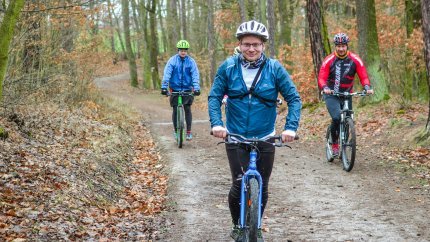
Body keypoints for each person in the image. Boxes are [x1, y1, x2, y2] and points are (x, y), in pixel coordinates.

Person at [208, 20, 302, 241]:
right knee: (239, 181)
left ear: (263, 46)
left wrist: (290, 128)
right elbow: (214, 97)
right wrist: (216, 124)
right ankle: (237, 226)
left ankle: (256, 226)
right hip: (235, 134)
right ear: (239, 44)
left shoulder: (275, 69)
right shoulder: (228, 67)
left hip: (266, 135)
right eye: (247, 44)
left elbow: (294, 99)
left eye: (256, 45)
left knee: (263, 184)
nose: (251, 49)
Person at [318, 32, 374, 156]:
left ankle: (346, 139)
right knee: (337, 117)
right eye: (339, 46)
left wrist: (367, 87)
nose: (341, 48)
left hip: (347, 94)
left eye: (343, 46)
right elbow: (321, 78)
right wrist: (325, 87)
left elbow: (363, 76)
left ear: (347, 46)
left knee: (348, 119)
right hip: (332, 94)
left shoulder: (355, 59)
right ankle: (335, 144)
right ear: (335, 46)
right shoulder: (329, 60)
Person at [161, 40, 201, 140]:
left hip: (187, 88)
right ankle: (175, 131)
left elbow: (195, 75)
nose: (183, 52)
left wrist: (196, 88)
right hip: (174, 88)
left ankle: (188, 132)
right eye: (181, 50)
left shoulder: (191, 62)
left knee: (187, 109)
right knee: (175, 109)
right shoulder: (172, 61)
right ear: (178, 50)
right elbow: (167, 74)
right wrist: (164, 87)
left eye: (185, 50)